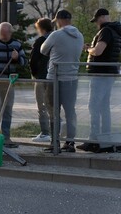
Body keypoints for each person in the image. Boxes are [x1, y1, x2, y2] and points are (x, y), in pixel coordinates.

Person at [78, 9, 121, 152]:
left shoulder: (106, 31)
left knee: (94, 107)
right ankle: (105, 140)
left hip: (100, 74)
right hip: (108, 74)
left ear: (102, 17)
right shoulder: (115, 30)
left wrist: (88, 49)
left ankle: (94, 140)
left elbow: (98, 51)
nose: (96, 23)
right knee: (104, 108)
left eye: (97, 20)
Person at [41, 9, 84, 153]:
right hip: (72, 78)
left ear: (59, 20)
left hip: (54, 78)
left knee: (53, 111)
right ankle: (70, 142)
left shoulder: (56, 34)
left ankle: (55, 143)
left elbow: (43, 50)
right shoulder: (80, 36)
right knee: (70, 112)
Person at [30, 18, 53, 143]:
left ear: (41, 28)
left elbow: (33, 59)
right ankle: (56, 131)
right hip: (53, 76)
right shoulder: (56, 39)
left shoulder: (41, 40)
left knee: (42, 105)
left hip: (42, 76)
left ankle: (45, 132)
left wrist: (35, 74)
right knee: (52, 105)